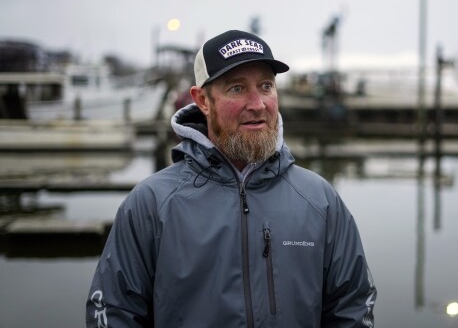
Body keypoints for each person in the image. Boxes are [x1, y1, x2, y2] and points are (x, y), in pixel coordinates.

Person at [86, 29, 376, 327]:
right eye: (237, 89)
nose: (257, 103)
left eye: (266, 86)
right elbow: (113, 311)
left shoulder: (320, 200)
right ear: (202, 100)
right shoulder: (150, 204)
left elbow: (352, 307)